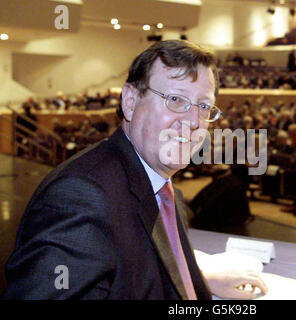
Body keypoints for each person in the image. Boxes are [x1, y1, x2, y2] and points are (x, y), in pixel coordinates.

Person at [2, 40, 267, 300]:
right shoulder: (80, 197)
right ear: (130, 101)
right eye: (175, 99)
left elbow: (136, 269)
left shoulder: (162, 185)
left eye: (204, 106)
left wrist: (199, 278)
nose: (193, 121)